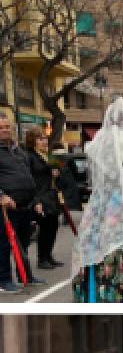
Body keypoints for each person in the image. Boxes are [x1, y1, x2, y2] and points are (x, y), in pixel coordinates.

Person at [71, 98, 123, 303]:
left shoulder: (94, 145)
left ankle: (97, 296)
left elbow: (94, 178)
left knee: (97, 249)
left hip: (100, 206)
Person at [0, 113, 45, 291]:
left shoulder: (19, 151)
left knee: (23, 243)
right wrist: (1, 196)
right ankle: (4, 280)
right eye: (1, 128)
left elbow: (29, 177)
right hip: (6, 207)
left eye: (7, 127)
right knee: (4, 244)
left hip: (25, 205)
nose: (4, 130)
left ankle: (26, 275)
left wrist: (36, 200)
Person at [23, 129, 62, 271]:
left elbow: (59, 169)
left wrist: (57, 172)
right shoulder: (30, 156)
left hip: (52, 195)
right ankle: (42, 258)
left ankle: (49, 255)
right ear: (32, 141)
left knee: (54, 226)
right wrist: (36, 200)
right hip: (40, 195)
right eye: (40, 139)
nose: (43, 141)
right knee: (45, 227)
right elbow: (30, 178)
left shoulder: (49, 155)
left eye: (45, 138)